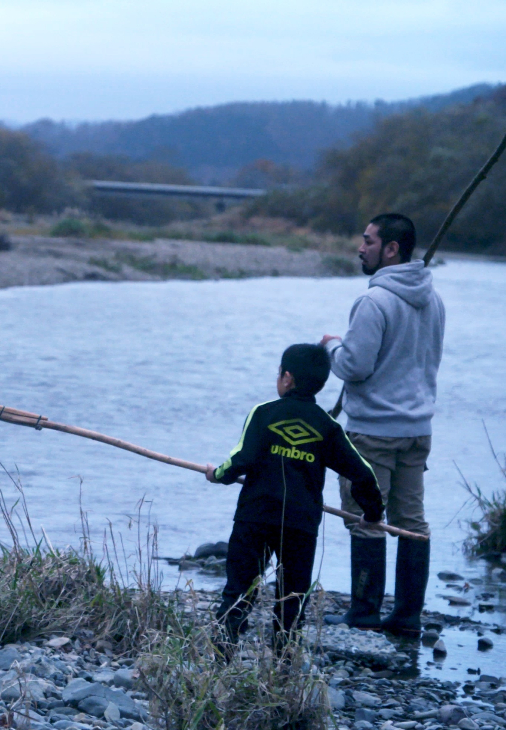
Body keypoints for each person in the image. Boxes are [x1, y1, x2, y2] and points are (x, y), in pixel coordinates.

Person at [204, 344, 384, 647]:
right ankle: (284, 668)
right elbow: (363, 473)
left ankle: (222, 659)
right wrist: (373, 514)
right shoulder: (327, 427)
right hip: (301, 525)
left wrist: (217, 475)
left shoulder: (263, 414)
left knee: (238, 590)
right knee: (292, 599)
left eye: (279, 373)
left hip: (255, 517)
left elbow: (241, 460)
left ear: (287, 378)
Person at [320, 213, 445, 635]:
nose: (360, 247)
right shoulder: (434, 300)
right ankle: (407, 617)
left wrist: (331, 346)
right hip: (417, 429)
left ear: (391, 249)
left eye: (368, 241)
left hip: (373, 431)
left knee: (365, 517)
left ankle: (365, 612)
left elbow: (354, 367)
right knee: (412, 521)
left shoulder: (373, 302)